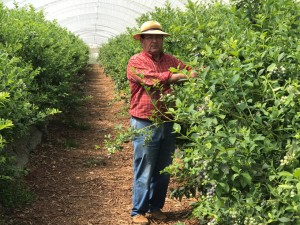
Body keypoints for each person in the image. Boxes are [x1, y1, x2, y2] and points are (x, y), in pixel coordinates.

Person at [127, 20, 197, 225]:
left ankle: (155, 207)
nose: (154, 41)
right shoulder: (135, 61)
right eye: (150, 37)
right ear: (142, 40)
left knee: (163, 169)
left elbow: (191, 70)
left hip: (168, 121)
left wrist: (188, 73)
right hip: (145, 123)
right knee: (145, 167)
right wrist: (174, 77)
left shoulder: (170, 59)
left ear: (163, 39)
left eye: (158, 37)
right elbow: (152, 79)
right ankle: (137, 211)